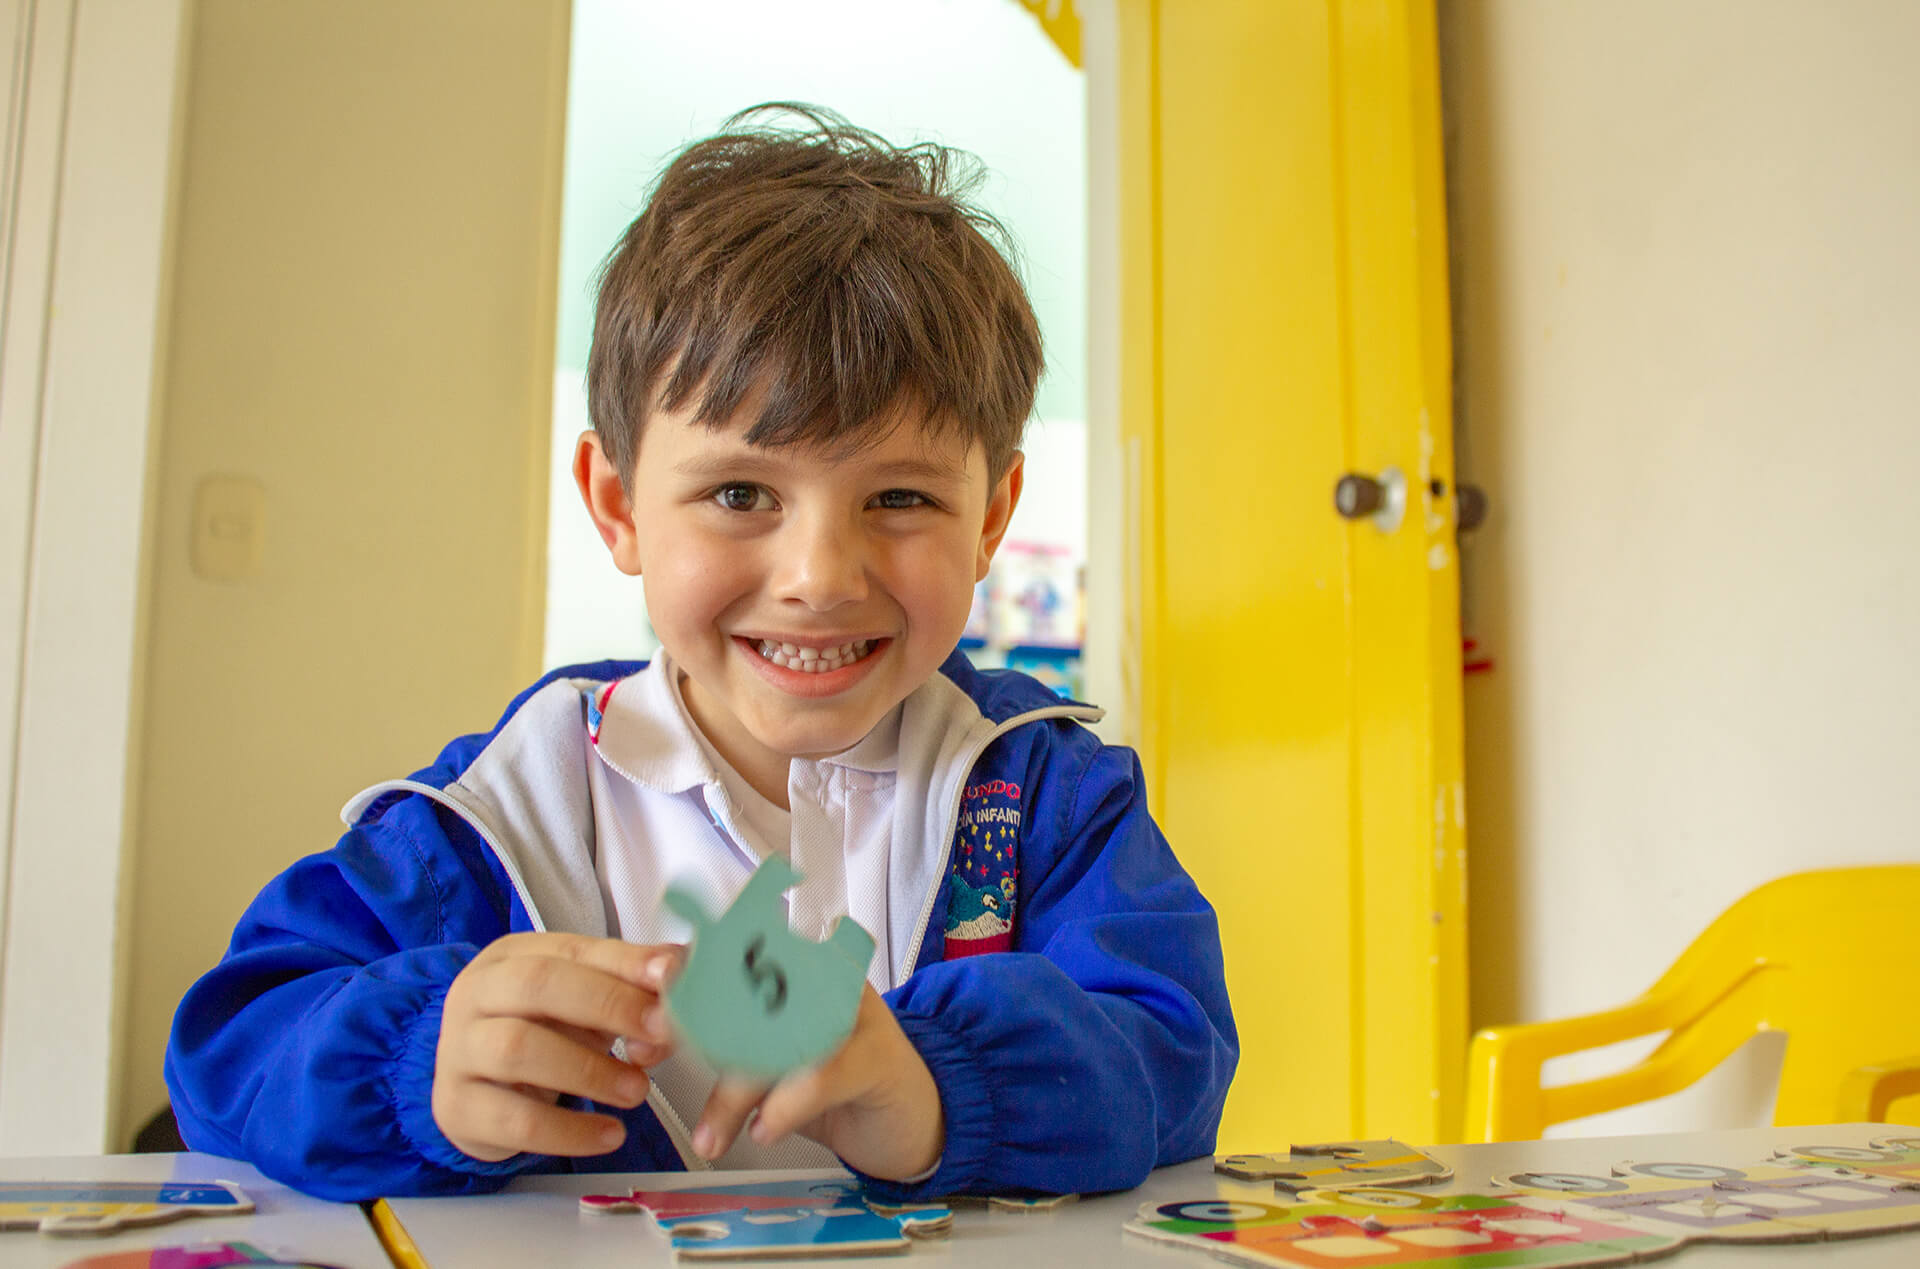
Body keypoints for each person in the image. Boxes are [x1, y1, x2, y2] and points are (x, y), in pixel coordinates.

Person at [165, 104, 1236, 1203]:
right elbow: (230, 1052)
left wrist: (937, 1087)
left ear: (992, 517)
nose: (820, 575)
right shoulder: (504, 813)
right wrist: (414, 1067)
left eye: (901, 497)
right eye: (740, 493)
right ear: (618, 504)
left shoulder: (1043, 788)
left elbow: (1174, 1051)